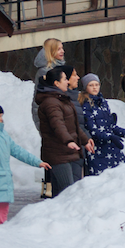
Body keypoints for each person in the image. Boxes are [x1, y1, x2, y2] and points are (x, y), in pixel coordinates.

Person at [0, 100, 50, 226]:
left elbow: (17, 150)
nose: (1, 119)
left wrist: (37, 162)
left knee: (3, 211)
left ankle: (2, 236)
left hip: (3, 177)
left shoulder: (3, 134)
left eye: (1, 116)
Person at [36, 65, 94, 196]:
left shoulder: (62, 99)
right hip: (58, 154)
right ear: (56, 83)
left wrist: (85, 140)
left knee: (64, 193)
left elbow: (72, 125)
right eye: (64, 79)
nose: (67, 81)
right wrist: (68, 140)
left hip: (68, 152)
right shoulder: (51, 102)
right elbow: (58, 125)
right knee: (67, 192)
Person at [79, 73, 125, 174]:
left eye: (96, 85)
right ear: (85, 87)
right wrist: (110, 137)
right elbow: (91, 129)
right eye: (91, 85)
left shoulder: (103, 103)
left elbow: (110, 125)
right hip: (97, 150)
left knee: (123, 175)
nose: (94, 88)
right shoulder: (86, 105)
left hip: (111, 148)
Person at [31, 38, 65, 128]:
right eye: (58, 49)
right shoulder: (45, 72)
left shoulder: (60, 68)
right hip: (49, 119)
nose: (62, 51)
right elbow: (42, 99)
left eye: (62, 48)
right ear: (51, 52)